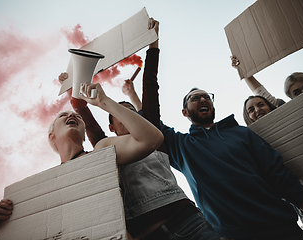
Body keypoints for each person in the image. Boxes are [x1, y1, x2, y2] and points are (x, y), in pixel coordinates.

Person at [51, 18, 221, 240]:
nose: (128, 116)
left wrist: (153, 44)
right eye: (120, 113)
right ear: (111, 126)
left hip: (187, 222)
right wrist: (71, 87)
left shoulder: (152, 131)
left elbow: (150, 82)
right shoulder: (104, 146)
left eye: (132, 111)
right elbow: (84, 115)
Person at [0, 82, 164, 237]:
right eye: (63, 116)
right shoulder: (43, 190)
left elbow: (152, 139)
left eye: (77, 116)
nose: (72, 115)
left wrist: (103, 102)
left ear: (85, 136)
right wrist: (2, 231)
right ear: (51, 136)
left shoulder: (103, 151)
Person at [160, 86, 303, 239]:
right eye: (195, 98)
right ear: (184, 112)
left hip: (281, 226)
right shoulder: (180, 146)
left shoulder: (242, 133)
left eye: (207, 96)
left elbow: (279, 176)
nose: (203, 99)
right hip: (233, 235)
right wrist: (133, 93)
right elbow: (150, 117)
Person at [232, 56, 303, 239]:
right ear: (247, 118)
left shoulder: (293, 115)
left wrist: (243, 70)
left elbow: (260, 92)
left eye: (260, 105)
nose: (257, 110)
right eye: (251, 109)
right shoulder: (250, 142)